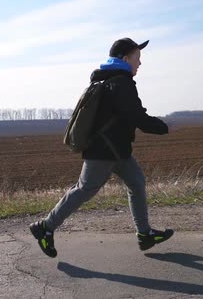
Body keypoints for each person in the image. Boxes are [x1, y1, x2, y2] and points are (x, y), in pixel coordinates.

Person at [29, 38, 174, 258]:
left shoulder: (108, 80)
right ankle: (45, 228)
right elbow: (136, 116)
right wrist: (164, 127)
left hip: (117, 150)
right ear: (125, 59)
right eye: (138, 59)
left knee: (136, 182)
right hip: (104, 151)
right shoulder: (121, 83)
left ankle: (144, 234)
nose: (140, 64)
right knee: (84, 190)